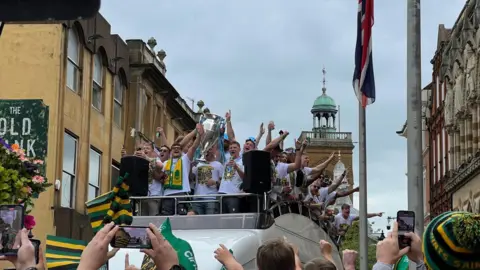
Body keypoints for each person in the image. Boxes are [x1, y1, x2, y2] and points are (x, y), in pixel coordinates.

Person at [161, 124, 204, 216]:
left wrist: (199, 135)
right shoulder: (165, 163)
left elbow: (194, 147)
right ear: (170, 151)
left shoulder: (185, 159)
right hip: (167, 195)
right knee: (166, 218)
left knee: (182, 218)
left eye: (178, 148)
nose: (176, 150)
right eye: (174, 148)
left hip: (181, 193)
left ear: (181, 151)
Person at [191, 147, 223, 215]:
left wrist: (215, 182)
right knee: (197, 223)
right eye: (205, 150)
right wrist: (191, 167)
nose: (207, 152)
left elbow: (223, 184)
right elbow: (190, 179)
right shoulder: (198, 164)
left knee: (210, 222)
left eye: (209, 149)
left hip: (211, 198)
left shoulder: (218, 165)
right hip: (197, 198)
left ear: (214, 151)